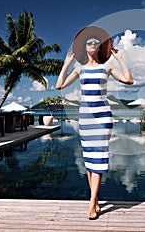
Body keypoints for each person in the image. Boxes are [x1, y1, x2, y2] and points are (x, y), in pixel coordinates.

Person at [56, 26, 133, 220]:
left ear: (99, 48)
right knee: (88, 160)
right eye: (89, 42)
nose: (93, 44)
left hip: (102, 117)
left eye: (96, 43)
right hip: (85, 119)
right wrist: (67, 64)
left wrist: (120, 58)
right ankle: (95, 200)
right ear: (85, 47)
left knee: (97, 158)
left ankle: (91, 204)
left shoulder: (106, 67)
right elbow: (59, 85)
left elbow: (129, 80)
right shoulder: (79, 69)